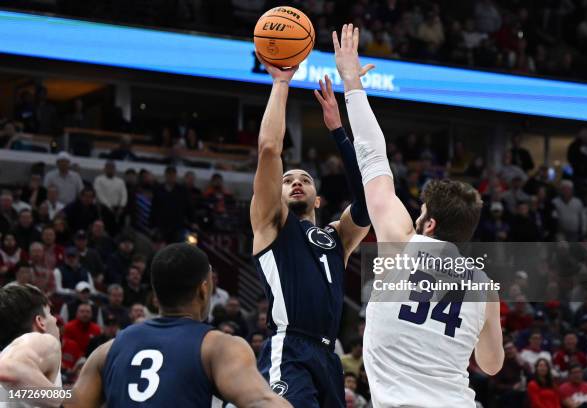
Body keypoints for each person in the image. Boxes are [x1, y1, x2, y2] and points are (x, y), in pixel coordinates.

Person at [334, 24, 503, 407]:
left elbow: (373, 158)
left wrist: (352, 85)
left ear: (429, 224)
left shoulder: (402, 243)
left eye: (419, 213)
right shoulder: (485, 286)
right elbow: (491, 366)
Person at [250, 55, 371, 406]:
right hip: (290, 349)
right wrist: (280, 84)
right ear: (279, 194)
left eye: (305, 180)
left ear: (318, 199)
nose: (297, 183)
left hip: (327, 356)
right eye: (288, 180)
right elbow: (270, 149)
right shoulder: (271, 223)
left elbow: (367, 203)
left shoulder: (337, 236)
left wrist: (338, 131)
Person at [68, 243, 290, 408]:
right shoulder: (218, 346)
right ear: (204, 290)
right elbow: (261, 401)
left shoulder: (108, 350)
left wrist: (34, 387)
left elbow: (70, 400)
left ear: (155, 296)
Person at [0, 285, 63, 407]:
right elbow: (8, 369)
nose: (55, 320)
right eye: (50, 313)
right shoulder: (41, 339)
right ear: (40, 322)